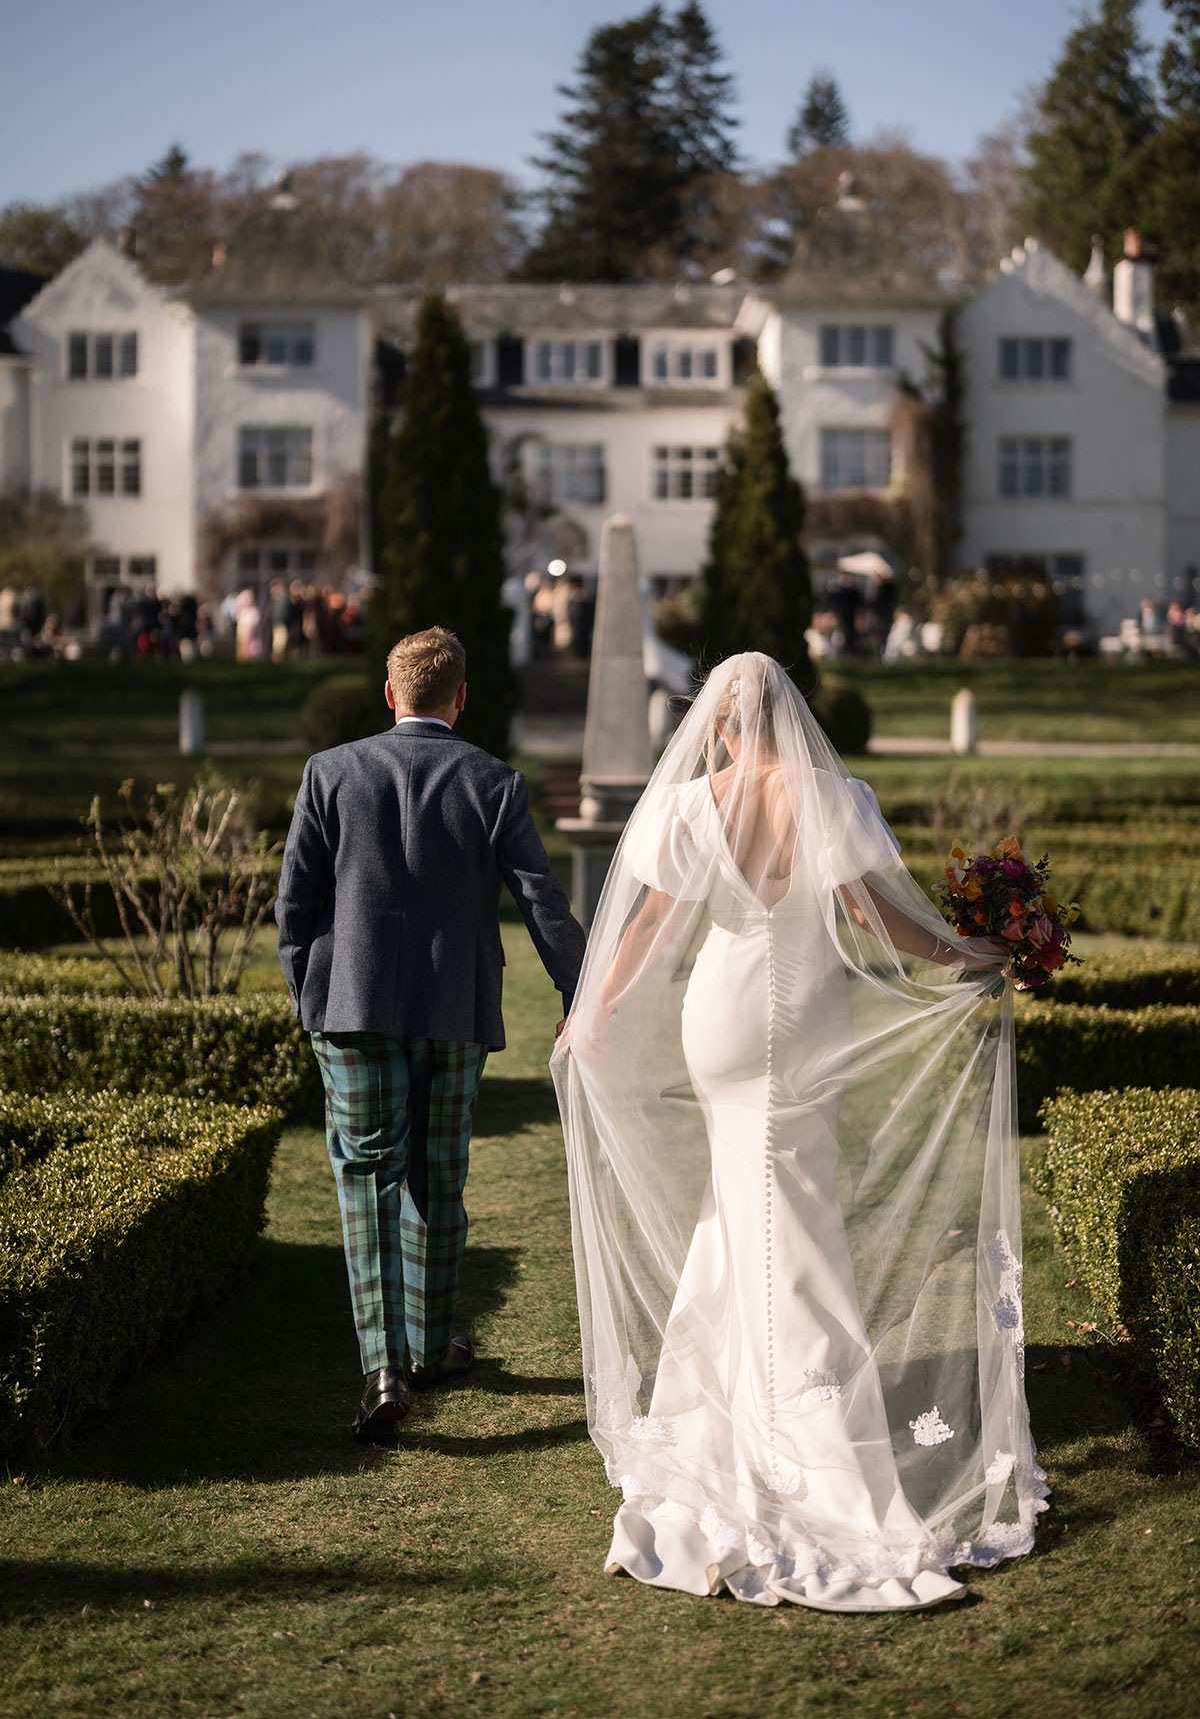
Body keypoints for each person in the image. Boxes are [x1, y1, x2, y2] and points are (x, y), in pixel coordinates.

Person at [552, 653, 1041, 1613]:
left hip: (723, 1017)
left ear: (723, 725)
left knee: (743, 1208)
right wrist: (967, 952)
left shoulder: (695, 804)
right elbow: (872, 913)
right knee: (793, 1213)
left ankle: (721, 1415)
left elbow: (652, 918)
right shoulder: (829, 795)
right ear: (791, 715)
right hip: (806, 1013)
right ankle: (799, 1444)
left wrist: (593, 1006)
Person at [277, 626, 586, 1444]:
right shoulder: (493, 780)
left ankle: (384, 1368)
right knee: (438, 1175)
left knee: (367, 1177)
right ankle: (427, 1348)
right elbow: (541, 902)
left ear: (390, 695)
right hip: (455, 1011)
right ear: (460, 698)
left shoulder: (329, 772)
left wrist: (311, 996)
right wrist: (578, 990)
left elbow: (293, 906)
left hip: (351, 1009)